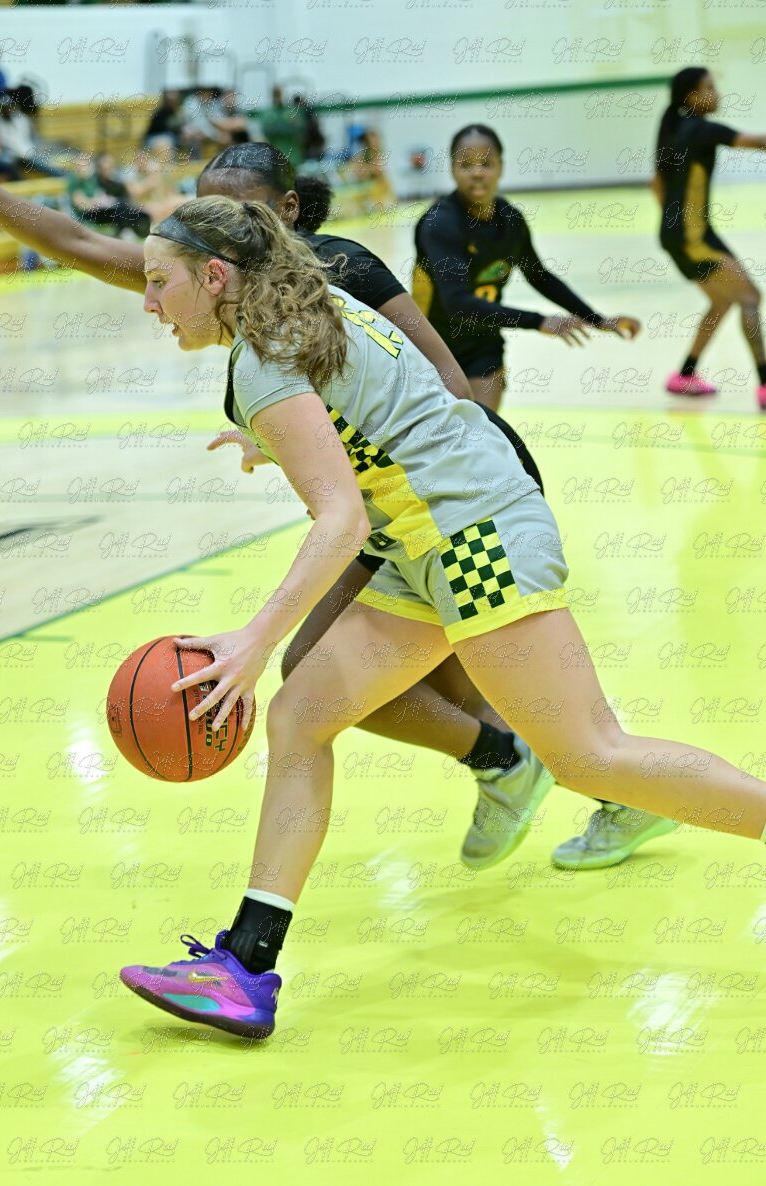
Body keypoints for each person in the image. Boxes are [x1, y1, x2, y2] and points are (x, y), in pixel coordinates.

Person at [117, 195, 766, 1041]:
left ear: (214, 277)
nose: (148, 301)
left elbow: (340, 519)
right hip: (434, 537)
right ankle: (245, 965)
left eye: (157, 281)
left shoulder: (262, 362)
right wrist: (277, 440)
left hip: (471, 539)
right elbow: (382, 413)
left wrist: (253, 641)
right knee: (301, 716)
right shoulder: (307, 304)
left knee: (590, 755)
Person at [0, 142, 668, 873]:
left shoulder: (339, 268)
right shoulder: (199, 270)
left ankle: (582, 777)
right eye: (208, 207)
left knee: (462, 669)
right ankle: (526, 764)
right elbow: (76, 243)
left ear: (288, 209)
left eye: (240, 207)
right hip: (383, 503)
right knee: (334, 673)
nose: (221, 223)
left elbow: (444, 376)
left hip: (453, 490)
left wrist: (444, 483)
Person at [413, 124, 640, 411]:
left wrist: (597, 319)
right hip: (432, 347)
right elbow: (457, 303)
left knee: (484, 431)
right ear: (452, 169)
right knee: (449, 433)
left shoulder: (511, 221)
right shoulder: (440, 224)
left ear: (501, 166)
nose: (477, 172)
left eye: (486, 163)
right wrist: (537, 321)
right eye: (466, 164)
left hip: (483, 345)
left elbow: (539, 275)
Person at [653, 67, 766, 409]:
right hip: (694, 236)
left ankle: (685, 375)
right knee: (750, 297)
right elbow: (757, 142)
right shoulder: (700, 129)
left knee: (722, 301)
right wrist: (685, 229)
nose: (716, 94)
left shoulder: (676, 129)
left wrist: (673, 225)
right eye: (709, 88)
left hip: (680, 234)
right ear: (691, 96)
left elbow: (656, 185)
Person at [66, 152, 150, 239]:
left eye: (87, 164)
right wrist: (97, 202)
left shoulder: (91, 180)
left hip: (100, 209)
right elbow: (82, 206)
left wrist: (105, 200)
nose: (85, 167)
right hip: (88, 214)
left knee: (124, 204)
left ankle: (132, 231)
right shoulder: (74, 181)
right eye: (82, 164)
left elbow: (100, 194)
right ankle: (125, 233)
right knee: (120, 210)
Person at [0, 95, 63, 179]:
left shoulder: (22, 118)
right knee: (7, 162)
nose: (7, 110)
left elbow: (33, 137)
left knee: (40, 162)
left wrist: (32, 149)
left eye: (8, 107)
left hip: (27, 151)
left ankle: (64, 176)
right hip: (8, 153)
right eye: (4, 108)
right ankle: (19, 182)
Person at [259, 87, 307, 166]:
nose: (279, 97)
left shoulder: (291, 111)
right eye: (276, 94)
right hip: (276, 156)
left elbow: (301, 128)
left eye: (280, 94)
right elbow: (266, 131)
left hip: (293, 156)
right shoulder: (268, 113)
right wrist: (285, 126)